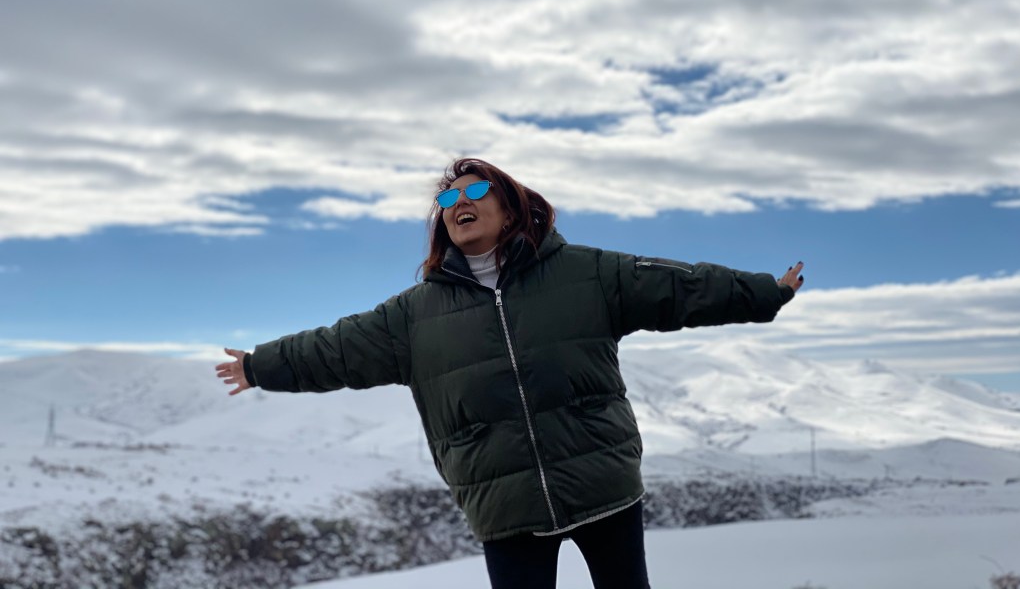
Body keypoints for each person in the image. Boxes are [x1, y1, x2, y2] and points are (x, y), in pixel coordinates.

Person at [216, 157, 804, 589]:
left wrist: (762, 293)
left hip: (601, 480)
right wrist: (262, 365)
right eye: (446, 199)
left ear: (510, 205)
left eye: (474, 189)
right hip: (502, 500)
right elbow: (337, 348)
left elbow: (677, 286)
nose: (458, 202)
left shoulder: (587, 273)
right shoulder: (414, 315)